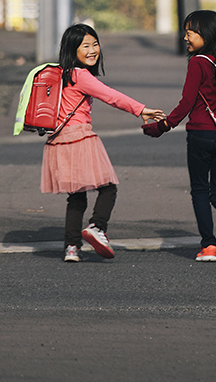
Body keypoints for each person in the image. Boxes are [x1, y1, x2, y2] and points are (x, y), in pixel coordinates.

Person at [42, 23, 163, 262]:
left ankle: (71, 247)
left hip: (57, 140)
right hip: (79, 137)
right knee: (108, 187)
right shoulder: (81, 75)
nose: (92, 50)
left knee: (76, 196)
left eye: (95, 44)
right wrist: (141, 109)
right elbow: (110, 96)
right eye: (85, 46)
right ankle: (97, 227)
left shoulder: (58, 74)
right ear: (72, 49)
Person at [162, 10, 216, 262]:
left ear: (205, 35)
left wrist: (164, 125)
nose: (185, 37)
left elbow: (187, 102)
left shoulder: (198, 62)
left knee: (199, 190)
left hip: (200, 134)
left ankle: (208, 246)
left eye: (190, 33)